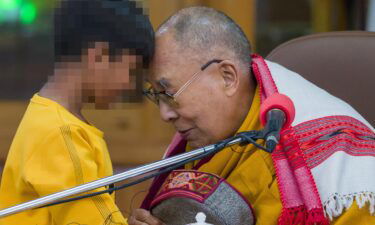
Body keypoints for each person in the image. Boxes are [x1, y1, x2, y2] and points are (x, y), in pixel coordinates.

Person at [128, 7, 375, 225]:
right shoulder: (196, 147)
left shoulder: (339, 166)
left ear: (228, 77)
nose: (164, 114)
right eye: (156, 95)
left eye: (170, 93)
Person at [0, 0, 154, 224]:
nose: (130, 85)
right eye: (130, 71)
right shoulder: (63, 134)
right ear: (99, 56)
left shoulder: (49, 119)